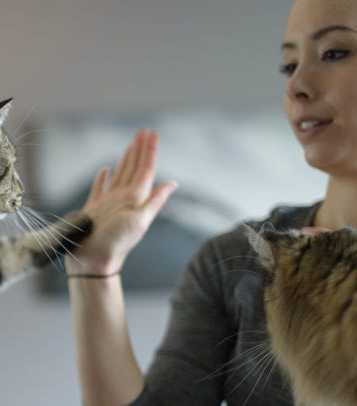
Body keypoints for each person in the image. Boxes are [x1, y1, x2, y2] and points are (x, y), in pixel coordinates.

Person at [67, 0, 357, 404]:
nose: (296, 85)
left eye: (335, 53)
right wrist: (95, 272)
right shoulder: (233, 262)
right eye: (289, 65)